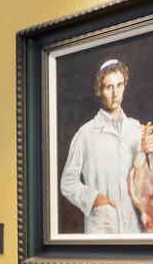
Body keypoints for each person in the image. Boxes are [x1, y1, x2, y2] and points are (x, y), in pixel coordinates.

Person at [58, 57, 145, 234]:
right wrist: (94, 198)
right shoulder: (85, 134)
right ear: (99, 90)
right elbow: (67, 182)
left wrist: (151, 153)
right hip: (101, 227)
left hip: (132, 228)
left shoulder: (136, 128)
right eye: (108, 87)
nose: (115, 93)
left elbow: (143, 185)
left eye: (119, 85)